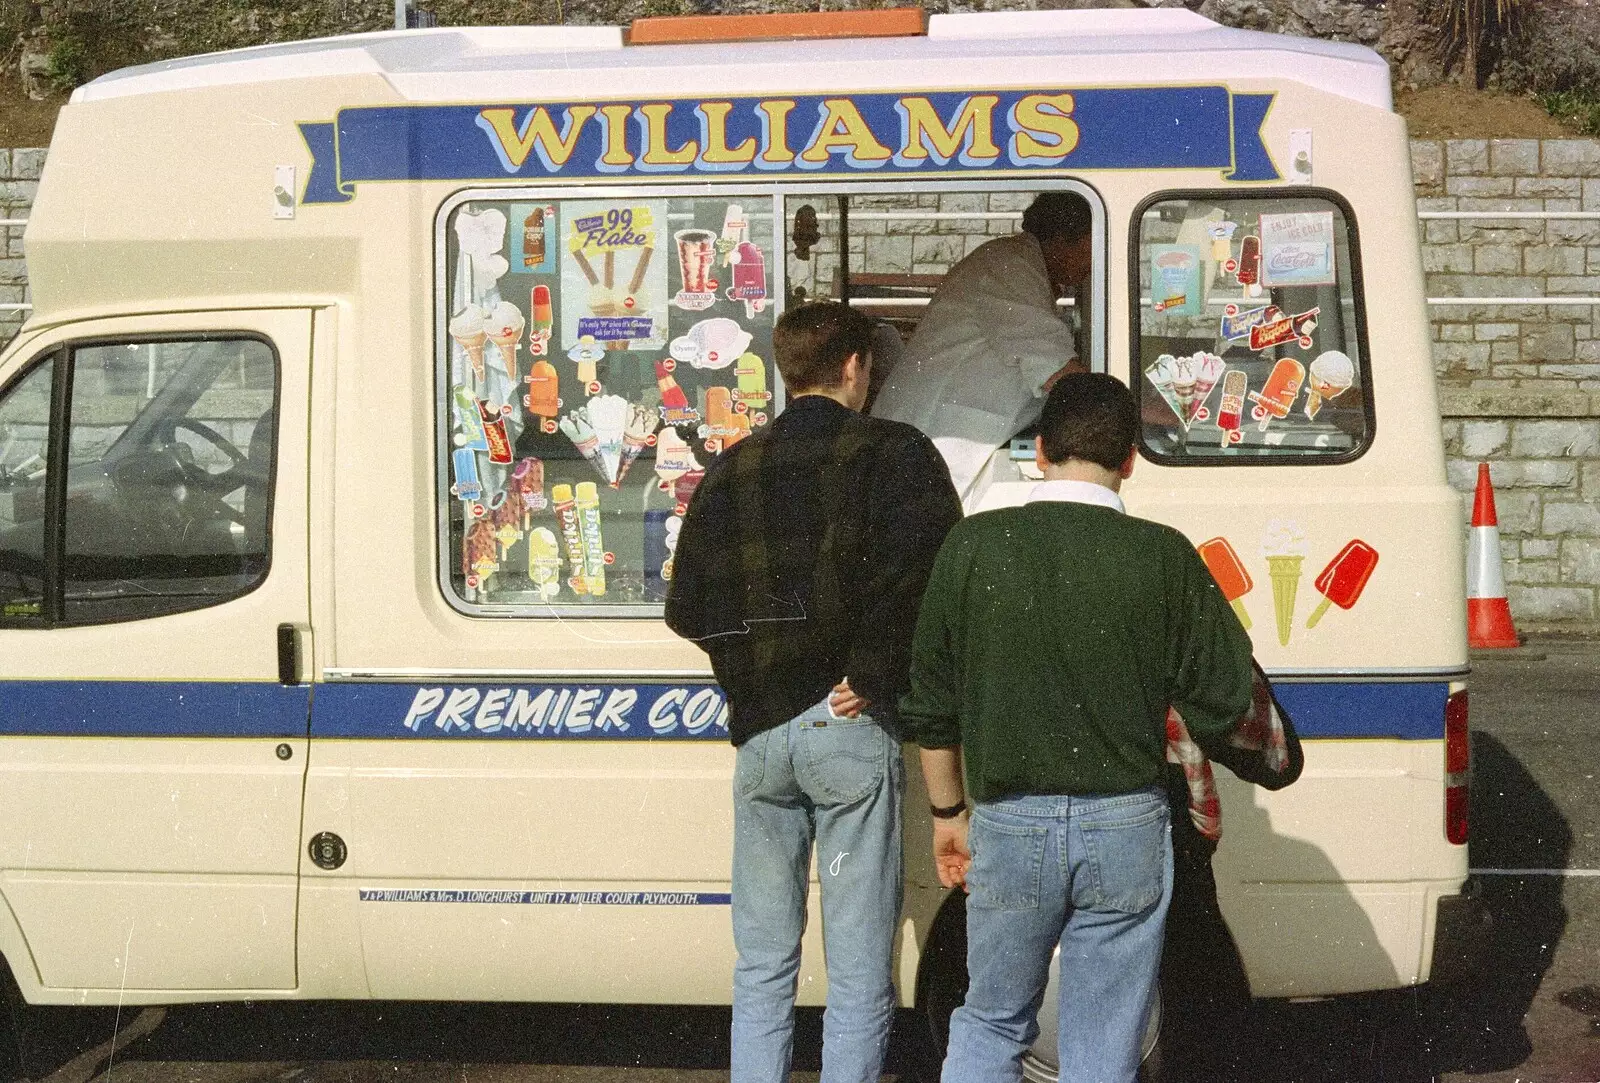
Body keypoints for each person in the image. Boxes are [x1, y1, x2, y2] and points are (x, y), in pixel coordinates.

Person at [900, 372, 1256, 1083]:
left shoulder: (972, 547)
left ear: (1038, 450)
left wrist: (947, 814)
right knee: (1104, 1040)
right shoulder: (1163, 554)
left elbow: (932, 706)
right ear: (1129, 458)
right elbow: (1227, 695)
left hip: (1009, 820)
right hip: (1127, 823)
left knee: (992, 1020)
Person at [664, 301, 963, 1083]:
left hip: (760, 739)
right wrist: (867, 672)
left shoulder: (729, 468)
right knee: (859, 971)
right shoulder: (896, 455)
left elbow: (687, 606)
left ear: (783, 367)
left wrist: (752, 676)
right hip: (847, 729)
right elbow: (926, 582)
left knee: (762, 964)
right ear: (858, 367)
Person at [871, 191, 1093, 511]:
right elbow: (1057, 373)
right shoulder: (1011, 264)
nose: (1095, 260)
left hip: (934, 447)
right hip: (926, 446)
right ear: (1064, 238)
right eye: (1091, 244)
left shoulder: (1019, 265)